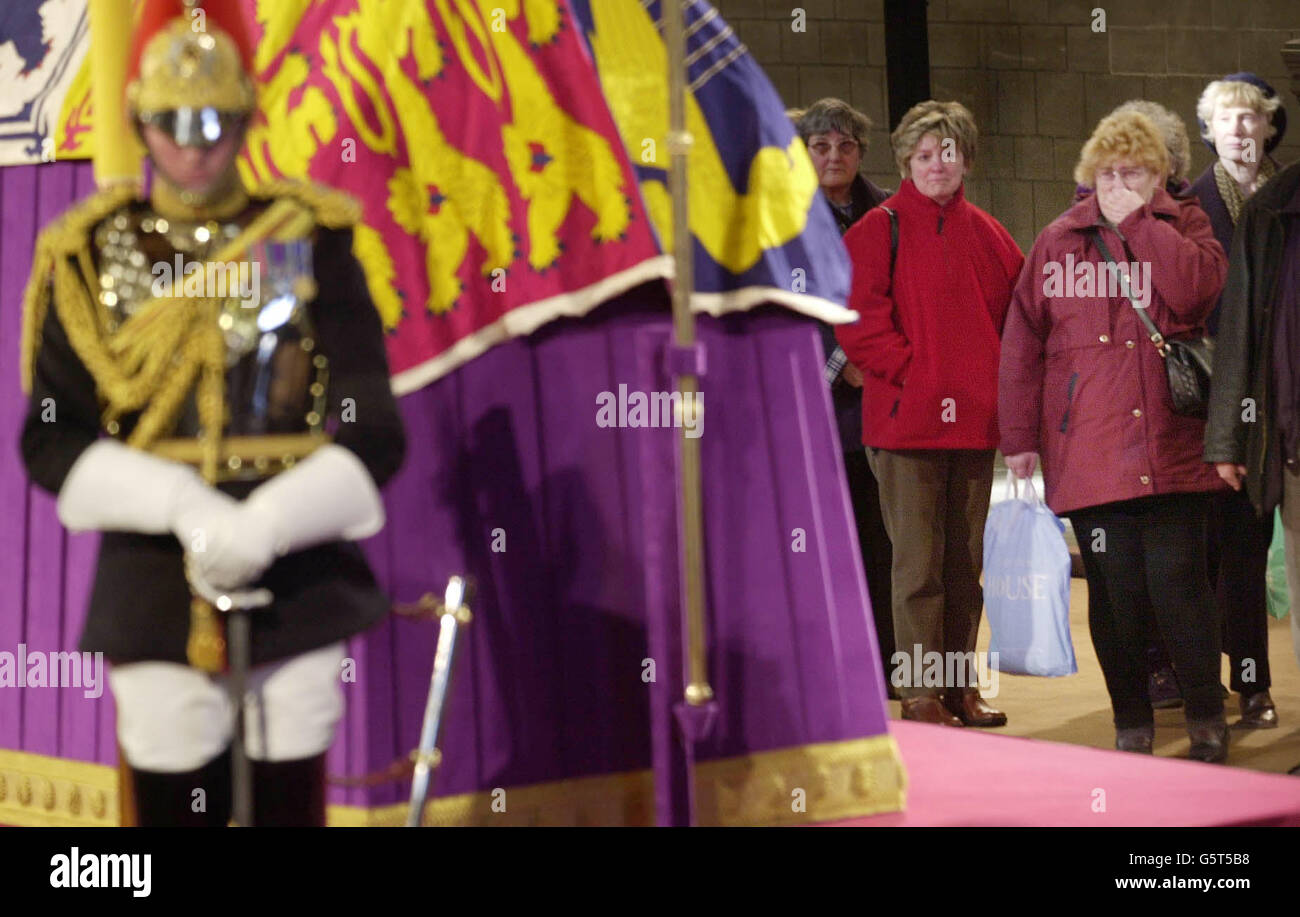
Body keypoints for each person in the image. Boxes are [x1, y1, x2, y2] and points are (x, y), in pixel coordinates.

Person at [19, 0, 405, 825]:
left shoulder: (311, 237)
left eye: (214, 121)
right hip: (154, 579)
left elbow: (372, 426)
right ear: (137, 119)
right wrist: (183, 506)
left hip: (297, 572)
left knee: (287, 804)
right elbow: (51, 435)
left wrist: (265, 523)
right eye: (170, 121)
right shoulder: (84, 254)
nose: (192, 143)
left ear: (246, 117)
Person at [1000, 111, 1229, 761]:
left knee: (1182, 584)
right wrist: (1018, 435)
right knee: (1116, 590)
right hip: (1091, 447)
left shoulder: (1184, 225)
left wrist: (1137, 224)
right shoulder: (1057, 240)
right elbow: (1022, 342)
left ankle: (1207, 718)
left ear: (1160, 175)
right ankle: (1131, 719)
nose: (1118, 183)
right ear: (1088, 176)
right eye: (1107, 173)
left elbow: (1194, 294)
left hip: (1172, 442)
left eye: (1133, 171)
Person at [835, 100, 1023, 727]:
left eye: (948, 152)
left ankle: (959, 688)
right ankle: (918, 692)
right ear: (907, 162)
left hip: (973, 427)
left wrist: (993, 387)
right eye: (924, 154)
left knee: (964, 567)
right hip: (905, 426)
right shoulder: (875, 230)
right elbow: (859, 323)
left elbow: (1018, 326)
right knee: (917, 566)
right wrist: (917, 375)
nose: (937, 164)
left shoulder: (993, 235)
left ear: (965, 158)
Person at [1190, 74, 1288, 729]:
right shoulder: (1190, 204)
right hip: (1221, 397)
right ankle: (1246, 680)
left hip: (1287, 389)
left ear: (1270, 128)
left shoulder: (1289, 195)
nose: (1242, 130)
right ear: (1209, 130)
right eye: (1228, 119)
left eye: (1253, 119)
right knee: (1235, 550)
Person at [795, 98, 895, 697]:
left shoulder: (885, 212)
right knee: (818, 542)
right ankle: (827, 670)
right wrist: (841, 361)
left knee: (881, 540)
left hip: (877, 402)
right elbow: (784, 306)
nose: (834, 156)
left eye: (846, 146)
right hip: (812, 403)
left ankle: (885, 666)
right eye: (821, 146)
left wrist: (873, 357)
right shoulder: (779, 216)